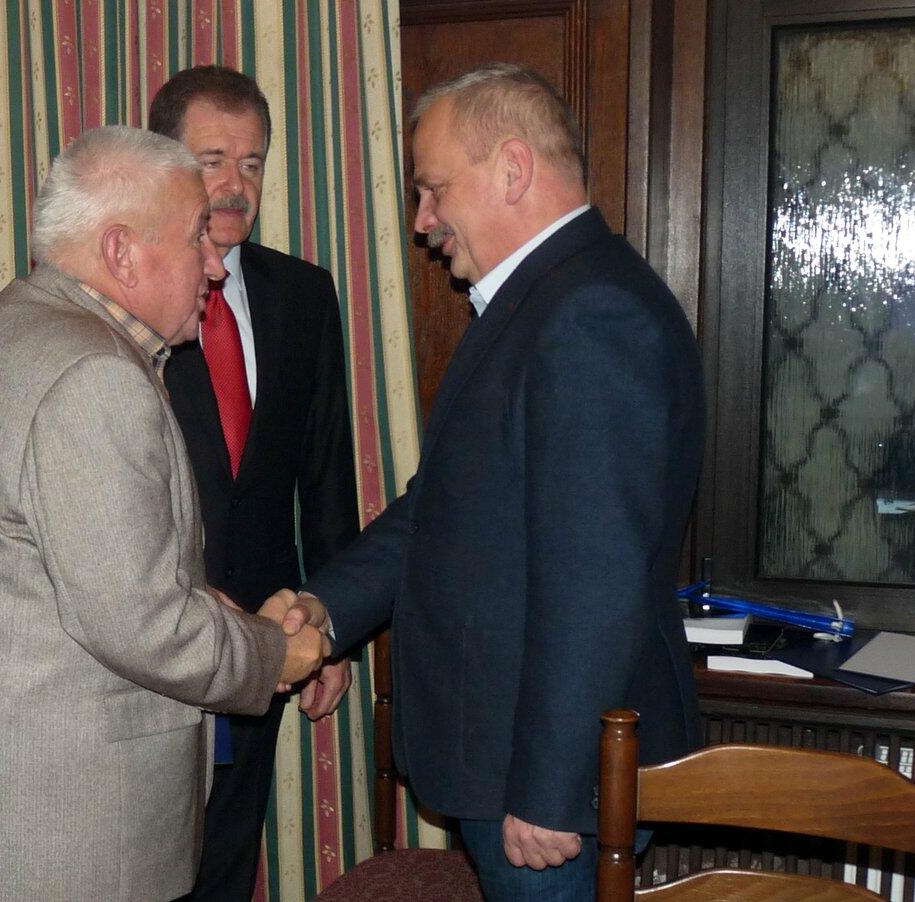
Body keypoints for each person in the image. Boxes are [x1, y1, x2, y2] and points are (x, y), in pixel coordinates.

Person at [276, 63, 705, 899]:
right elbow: (438, 511)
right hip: (511, 763)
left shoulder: (588, 315)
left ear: (512, 169)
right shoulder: (544, 301)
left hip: (545, 785)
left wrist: (549, 789)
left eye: (433, 190)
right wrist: (325, 609)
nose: (422, 222)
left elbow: (594, 581)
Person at [0, 125, 330, 901]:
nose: (216, 263)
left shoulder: (18, 323)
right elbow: (141, 625)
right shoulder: (93, 375)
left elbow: (75, 568)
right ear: (122, 252)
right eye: (196, 238)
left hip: (10, 794)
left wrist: (212, 607)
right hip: (65, 828)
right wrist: (274, 655)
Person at [147, 66, 361, 901]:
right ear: (166, 163)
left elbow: (326, 473)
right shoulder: (132, 298)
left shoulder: (303, 294)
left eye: (252, 162)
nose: (235, 185)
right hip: (156, 641)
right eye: (212, 160)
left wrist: (332, 624)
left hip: (269, 639)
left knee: (229, 865)